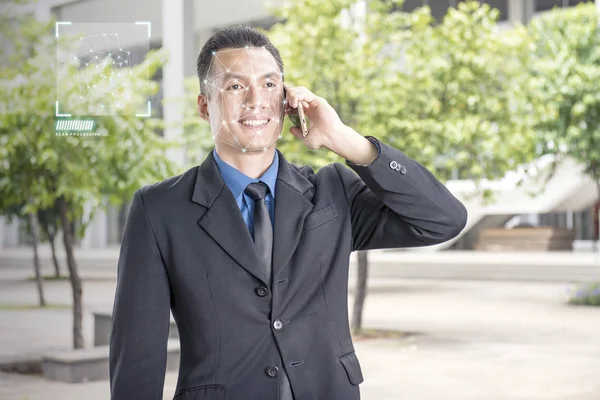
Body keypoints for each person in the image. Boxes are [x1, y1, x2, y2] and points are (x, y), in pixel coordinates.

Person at [109, 25, 468, 400]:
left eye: (269, 85)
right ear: (204, 106)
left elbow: (443, 220)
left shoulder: (333, 193)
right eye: (235, 86)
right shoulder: (159, 209)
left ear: (286, 100)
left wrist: (345, 139)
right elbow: (137, 354)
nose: (255, 100)